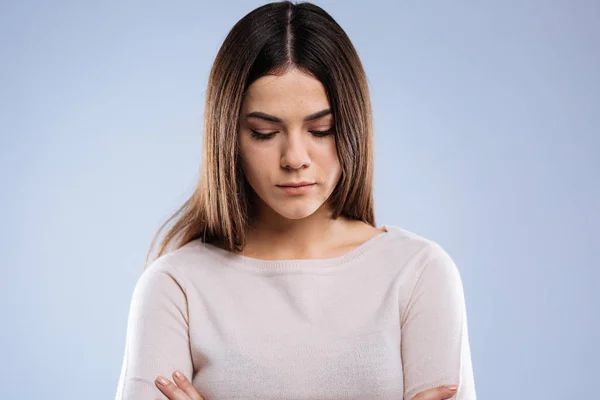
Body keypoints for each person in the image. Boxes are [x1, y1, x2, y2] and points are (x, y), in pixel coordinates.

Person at [114, 1, 476, 399]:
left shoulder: (418, 274)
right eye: (264, 133)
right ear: (228, 137)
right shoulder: (175, 288)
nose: (295, 159)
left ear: (353, 127)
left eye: (321, 130)